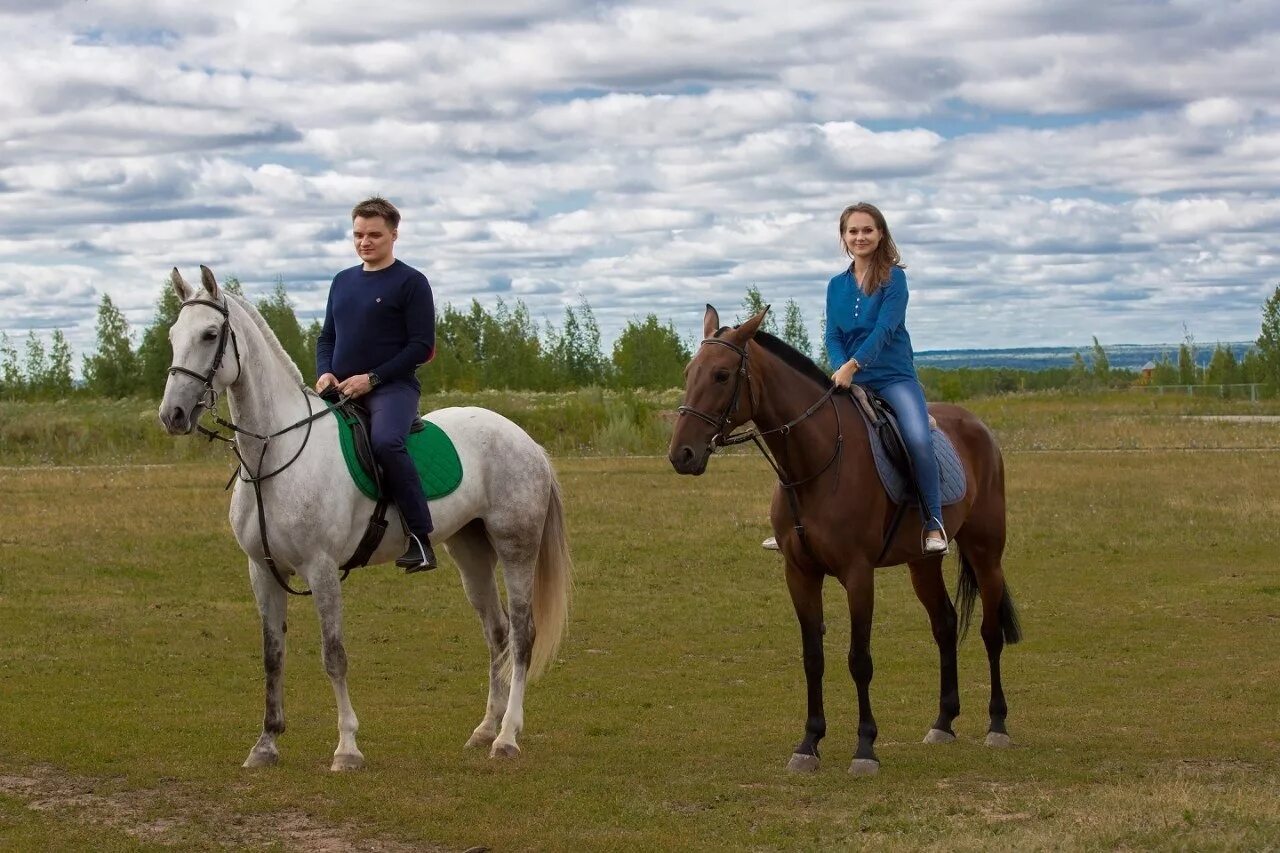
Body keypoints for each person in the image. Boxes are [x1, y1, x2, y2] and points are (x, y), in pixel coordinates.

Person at [765, 202, 946, 554]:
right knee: (802, 437)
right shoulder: (835, 285)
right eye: (853, 231)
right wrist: (840, 368)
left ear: (881, 234)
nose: (860, 237)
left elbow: (885, 329)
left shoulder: (895, 278)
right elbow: (832, 333)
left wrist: (853, 366)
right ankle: (791, 524)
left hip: (893, 378)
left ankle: (933, 521)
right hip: (846, 378)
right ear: (844, 238)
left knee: (917, 439)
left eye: (867, 230)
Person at [315, 196, 439, 572]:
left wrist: (372, 379)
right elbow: (326, 338)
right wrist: (325, 372)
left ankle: (420, 538)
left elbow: (421, 346)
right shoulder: (342, 281)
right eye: (357, 235)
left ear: (394, 235)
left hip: (392, 388)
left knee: (386, 442)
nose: (364, 242)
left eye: (374, 234)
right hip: (338, 389)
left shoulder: (412, 282)